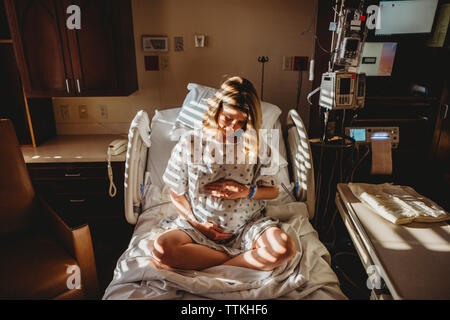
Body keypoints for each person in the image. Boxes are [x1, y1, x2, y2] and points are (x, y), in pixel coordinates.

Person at [151, 76, 296, 271]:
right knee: (161, 250)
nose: (232, 127)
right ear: (217, 110)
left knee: (285, 249)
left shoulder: (257, 147)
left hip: (248, 227)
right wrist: (198, 224)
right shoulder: (191, 143)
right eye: (228, 118)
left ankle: (215, 263)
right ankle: (242, 261)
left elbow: (273, 192)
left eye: (241, 122)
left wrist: (246, 191)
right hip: (198, 228)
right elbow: (176, 192)